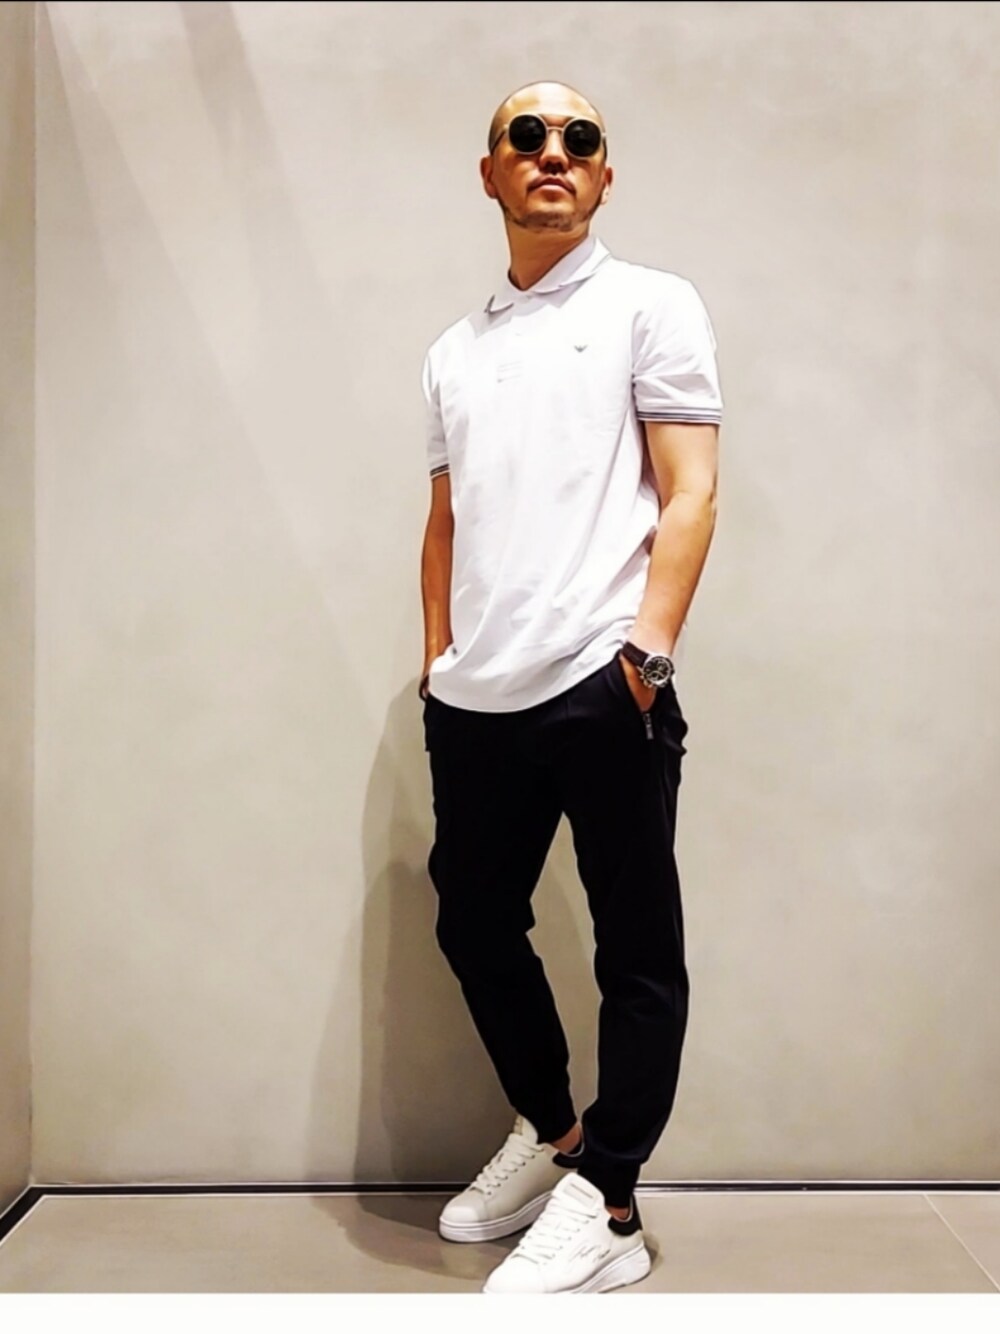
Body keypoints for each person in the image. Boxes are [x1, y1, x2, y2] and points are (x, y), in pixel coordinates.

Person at [417, 79, 722, 1295]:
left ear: (603, 173)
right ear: (489, 171)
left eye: (579, 138)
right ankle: (555, 1135)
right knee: (472, 919)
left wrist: (644, 656)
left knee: (636, 946)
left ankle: (611, 1203)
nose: (555, 151)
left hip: (603, 681)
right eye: (528, 136)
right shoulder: (453, 351)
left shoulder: (652, 303)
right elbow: (444, 520)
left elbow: (690, 488)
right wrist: (435, 661)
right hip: (476, 700)